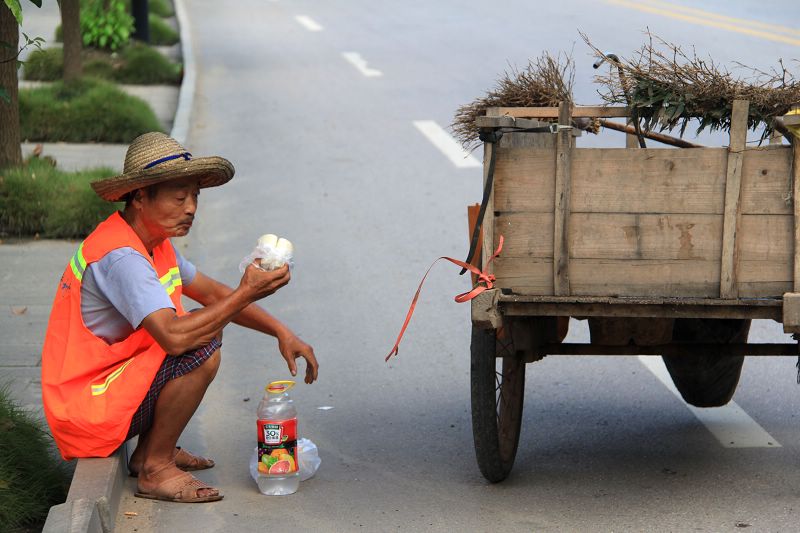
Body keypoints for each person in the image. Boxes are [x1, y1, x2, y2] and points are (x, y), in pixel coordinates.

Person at [41, 132, 318, 503]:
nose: (191, 208)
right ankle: (155, 468)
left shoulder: (154, 243)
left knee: (204, 324)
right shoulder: (122, 257)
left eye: (195, 196)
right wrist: (247, 292)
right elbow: (174, 338)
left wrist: (282, 332)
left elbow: (215, 294)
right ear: (140, 196)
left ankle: (150, 452)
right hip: (87, 409)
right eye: (179, 197)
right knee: (200, 343)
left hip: (108, 388)